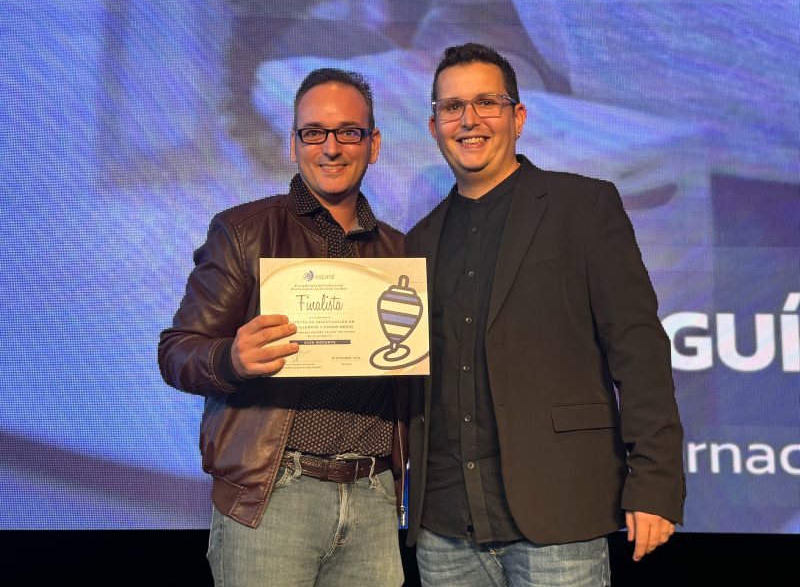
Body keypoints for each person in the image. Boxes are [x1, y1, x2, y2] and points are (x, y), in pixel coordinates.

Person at [405, 43, 685, 586]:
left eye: (487, 102)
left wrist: (655, 482)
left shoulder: (583, 206)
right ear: (434, 126)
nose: (469, 120)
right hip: (445, 529)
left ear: (519, 116)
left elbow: (639, 349)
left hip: (558, 518)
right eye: (452, 107)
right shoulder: (418, 241)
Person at [158, 68, 407, 586]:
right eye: (313, 132)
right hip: (274, 494)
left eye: (349, 131)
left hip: (375, 495)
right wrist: (230, 359)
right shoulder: (244, 231)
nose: (331, 148)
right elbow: (177, 351)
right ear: (293, 145)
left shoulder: (400, 252)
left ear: (374, 144)